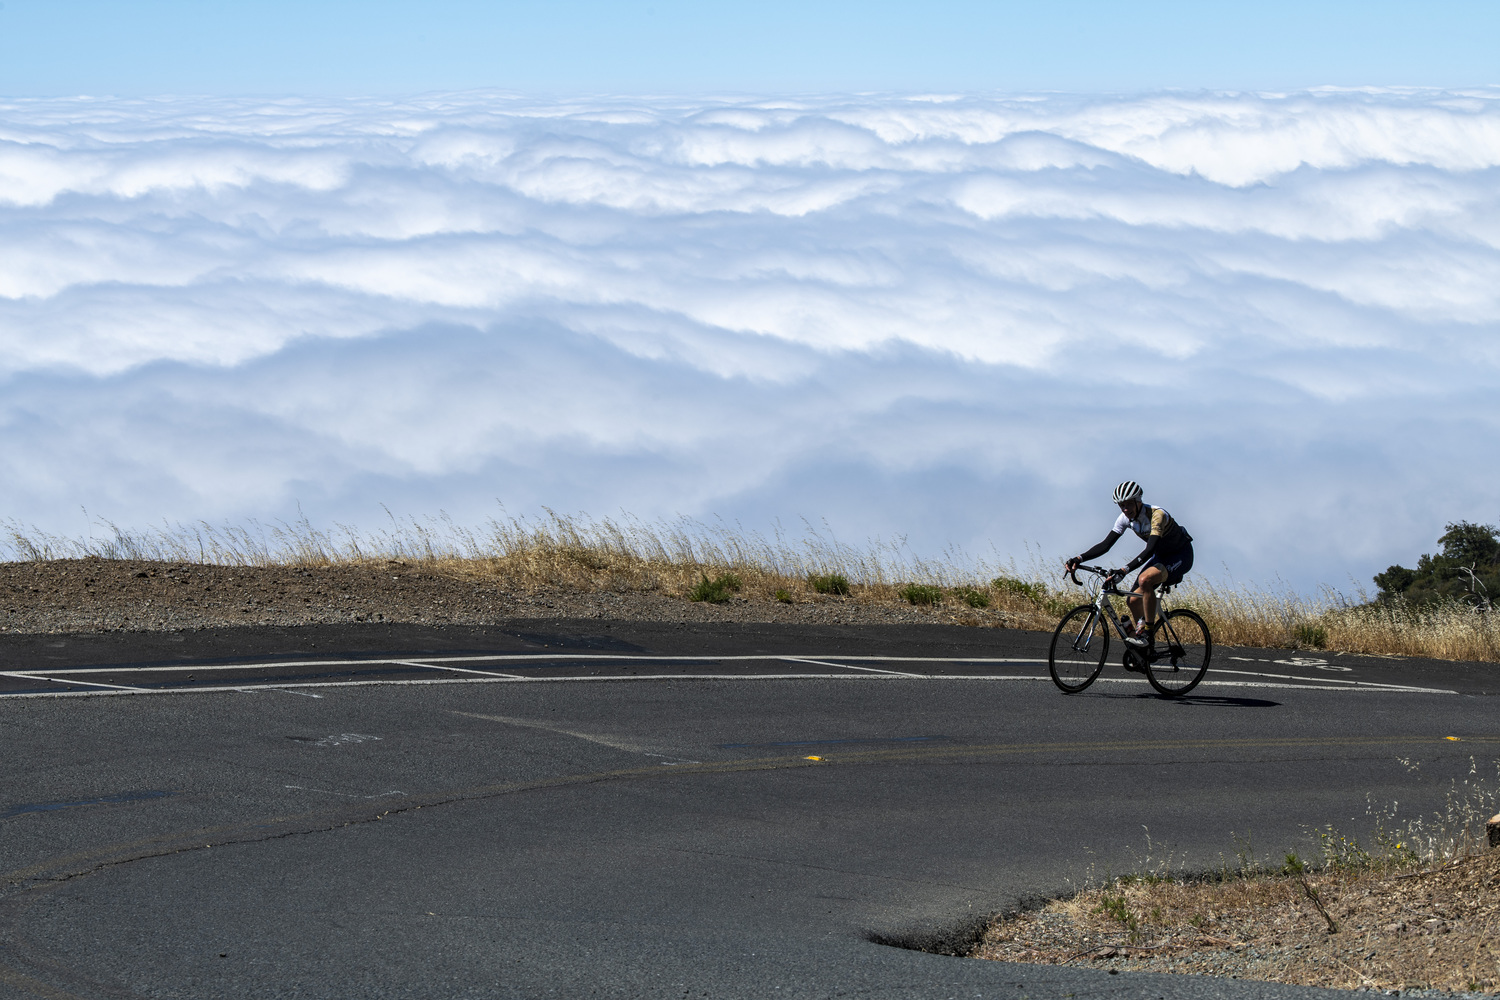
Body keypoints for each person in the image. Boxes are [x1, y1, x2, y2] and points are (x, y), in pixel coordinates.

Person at [1064, 481, 1194, 648]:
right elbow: (1106, 545)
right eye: (1121, 506)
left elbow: (1150, 549)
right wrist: (1079, 558)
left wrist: (1124, 570)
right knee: (1132, 600)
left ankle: (1148, 632)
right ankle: (1142, 644)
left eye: (1128, 504)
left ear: (1138, 501)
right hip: (1161, 557)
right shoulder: (1124, 518)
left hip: (1181, 555)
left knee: (1145, 580)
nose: (1125, 509)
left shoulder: (1157, 515)